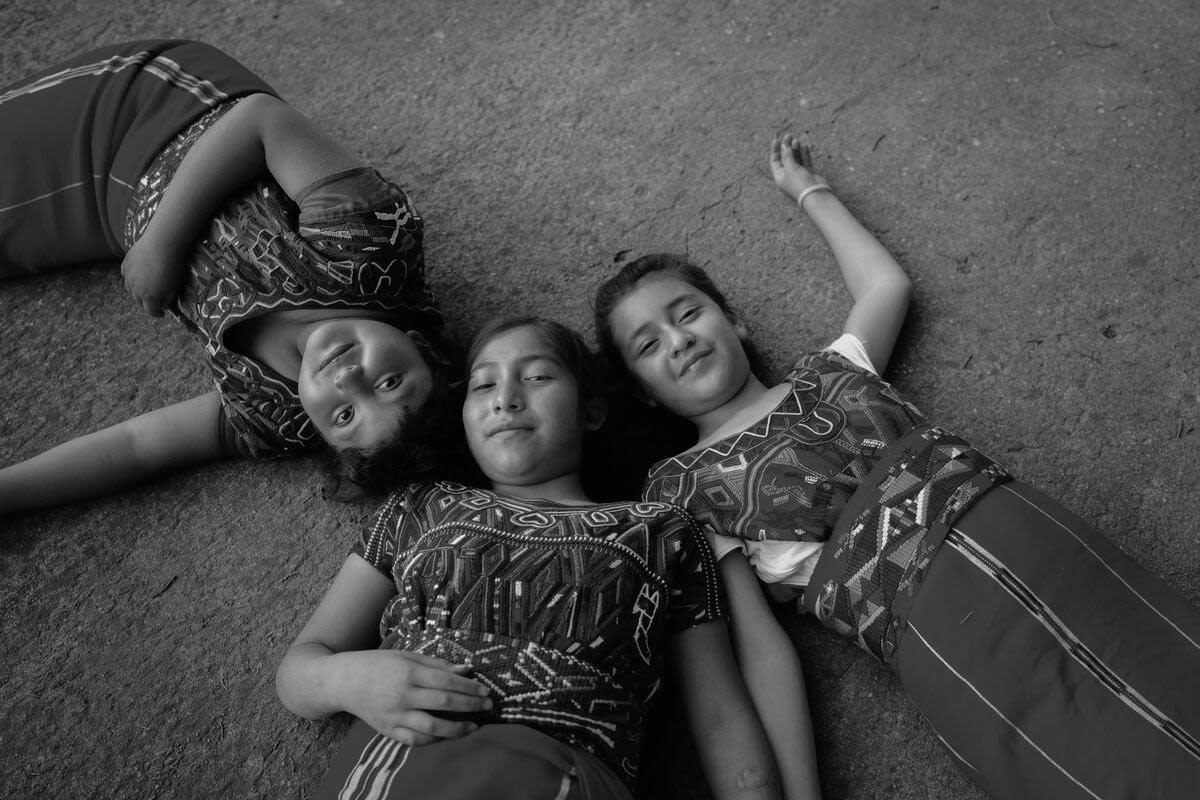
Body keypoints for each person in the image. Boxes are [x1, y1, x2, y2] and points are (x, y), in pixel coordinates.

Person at [591, 134, 1200, 800]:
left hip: (1042, 546)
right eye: (649, 345)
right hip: (951, 643)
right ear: (642, 390)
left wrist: (808, 192)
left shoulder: (836, 369)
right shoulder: (680, 490)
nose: (679, 341)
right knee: (1088, 767)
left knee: (1169, 659)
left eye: (689, 313)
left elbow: (886, 284)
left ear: (732, 320)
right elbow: (762, 650)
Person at [275, 316, 783, 800]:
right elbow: (300, 667)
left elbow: (720, 717)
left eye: (537, 376)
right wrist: (352, 681)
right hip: (397, 768)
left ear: (591, 409)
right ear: (464, 416)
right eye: (482, 386)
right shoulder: (419, 507)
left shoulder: (662, 530)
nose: (506, 399)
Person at [0, 39, 459, 515]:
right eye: (388, 382)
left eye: (344, 416)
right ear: (424, 350)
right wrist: (162, 244)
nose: (349, 377)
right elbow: (261, 120)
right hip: (151, 110)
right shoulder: (370, 248)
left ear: (320, 433)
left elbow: (138, 445)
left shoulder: (273, 414)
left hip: (104, 211)